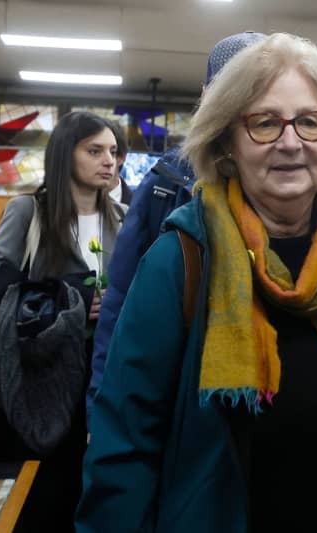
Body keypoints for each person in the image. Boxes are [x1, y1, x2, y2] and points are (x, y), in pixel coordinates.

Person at [78, 33, 317, 532]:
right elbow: (124, 448)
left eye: (311, 121)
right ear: (227, 140)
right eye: (265, 122)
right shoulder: (181, 260)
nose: (291, 142)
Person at [86, 31, 265, 427]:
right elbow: (120, 300)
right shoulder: (169, 180)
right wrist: (102, 407)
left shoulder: (294, 185)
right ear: (207, 97)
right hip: (174, 392)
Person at [0, 110, 125, 532]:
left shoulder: (124, 218)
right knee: (36, 502)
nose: (109, 160)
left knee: (84, 497)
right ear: (64, 156)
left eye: (112, 151)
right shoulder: (28, 212)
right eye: (94, 151)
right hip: (36, 378)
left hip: (99, 378)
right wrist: (73, 297)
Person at [106, 120, 133, 206]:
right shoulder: (68, 202)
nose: (104, 160)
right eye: (94, 152)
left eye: (112, 152)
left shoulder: (139, 207)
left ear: (121, 157)